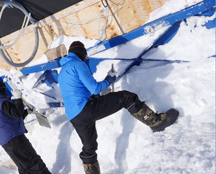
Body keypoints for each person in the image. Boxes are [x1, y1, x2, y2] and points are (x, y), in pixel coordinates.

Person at [58, 41, 179, 174]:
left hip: (75, 116)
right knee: (127, 98)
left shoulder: (63, 71)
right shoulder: (78, 64)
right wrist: (109, 79)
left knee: (89, 147)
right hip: (86, 109)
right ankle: (155, 122)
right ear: (82, 54)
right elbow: (95, 88)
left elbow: (76, 92)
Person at [0, 79, 51, 174]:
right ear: (3, 88)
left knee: (24, 167)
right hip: (15, 140)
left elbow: (12, 118)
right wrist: (18, 99)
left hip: (8, 142)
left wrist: (26, 112)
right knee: (34, 162)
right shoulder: (3, 103)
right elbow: (16, 113)